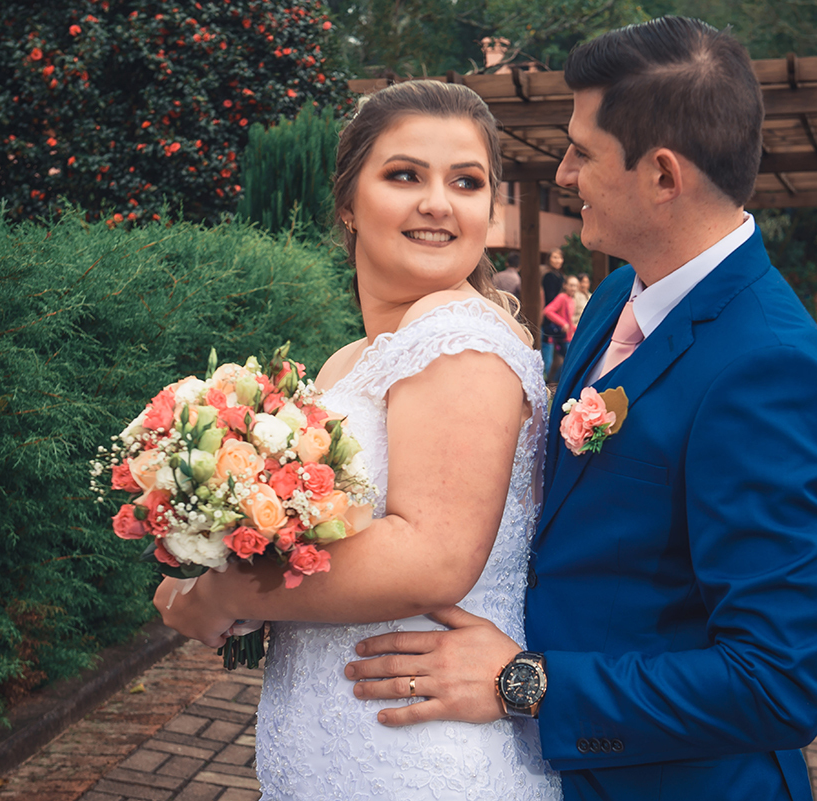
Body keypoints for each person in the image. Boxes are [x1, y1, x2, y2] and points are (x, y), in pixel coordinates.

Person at [346, 17, 817, 801]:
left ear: (662, 175)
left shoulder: (769, 368)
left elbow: (774, 683)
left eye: (583, 150)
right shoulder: (620, 291)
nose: (561, 171)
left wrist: (526, 682)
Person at [153, 80, 561, 801]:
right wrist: (224, 533)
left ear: (488, 210)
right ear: (347, 203)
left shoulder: (458, 337)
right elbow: (330, 542)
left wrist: (223, 589)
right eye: (405, 174)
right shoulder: (353, 358)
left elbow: (430, 554)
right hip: (335, 743)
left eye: (466, 182)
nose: (439, 201)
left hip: (421, 754)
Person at [542, 274, 579, 382]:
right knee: (569, 361)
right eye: (571, 285)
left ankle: (553, 383)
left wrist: (576, 330)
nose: (573, 288)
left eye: (575, 286)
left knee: (563, 362)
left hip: (568, 336)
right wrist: (563, 323)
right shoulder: (562, 297)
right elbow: (548, 311)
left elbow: (569, 320)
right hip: (562, 336)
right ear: (565, 285)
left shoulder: (571, 300)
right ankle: (554, 383)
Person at [539, 248, 566, 378]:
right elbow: (550, 299)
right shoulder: (549, 276)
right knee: (548, 356)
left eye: (559, 257)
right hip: (550, 319)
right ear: (549, 259)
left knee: (559, 355)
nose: (557, 260)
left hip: (558, 319)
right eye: (554, 257)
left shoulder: (560, 276)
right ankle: (547, 382)